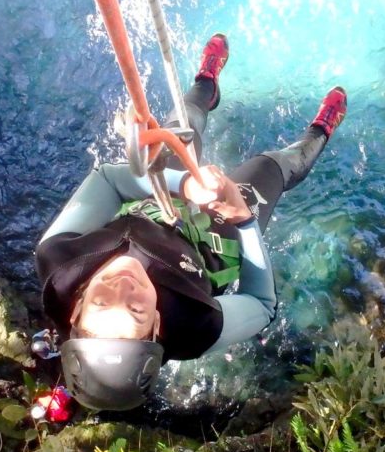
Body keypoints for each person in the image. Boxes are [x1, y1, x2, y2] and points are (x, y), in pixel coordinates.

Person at [35, 34, 347, 410]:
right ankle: (319, 132)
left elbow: (107, 180)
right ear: (156, 328)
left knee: (180, 123)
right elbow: (261, 305)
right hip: (215, 239)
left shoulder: (60, 261)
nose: (122, 283)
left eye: (101, 302)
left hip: (153, 198)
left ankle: (206, 85)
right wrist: (244, 222)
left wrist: (182, 182)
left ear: (76, 309)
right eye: (136, 310)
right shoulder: (193, 326)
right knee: (273, 167)